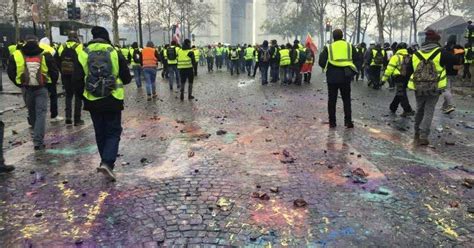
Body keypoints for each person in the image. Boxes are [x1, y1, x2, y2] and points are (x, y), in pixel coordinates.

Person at [73, 26, 131, 181]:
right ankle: (107, 162)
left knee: (100, 132)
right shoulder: (114, 52)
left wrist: (84, 97)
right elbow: (126, 77)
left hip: (93, 100)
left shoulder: (83, 53)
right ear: (107, 37)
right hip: (113, 98)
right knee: (113, 131)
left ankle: (105, 161)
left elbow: (77, 80)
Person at [7, 35, 59, 150]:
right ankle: (38, 141)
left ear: (25, 42)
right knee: (41, 113)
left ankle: (36, 135)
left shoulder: (17, 54)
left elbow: (10, 72)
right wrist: (50, 86)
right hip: (42, 88)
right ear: (37, 42)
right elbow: (54, 72)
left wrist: (20, 84)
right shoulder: (45, 54)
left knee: (32, 112)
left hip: (26, 88)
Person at [407, 29, 458, 146]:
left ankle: (416, 132)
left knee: (419, 109)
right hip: (434, 87)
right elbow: (455, 61)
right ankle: (423, 136)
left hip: (418, 87)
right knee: (429, 110)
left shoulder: (415, 54)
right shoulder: (441, 52)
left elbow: (410, 71)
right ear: (436, 41)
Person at [318, 29, 359, 128]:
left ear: (333, 37)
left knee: (332, 100)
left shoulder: (329, 47)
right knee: (346, 100)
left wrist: (328, 66)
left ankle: (332, 123)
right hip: (345, 76)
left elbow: (321, 62)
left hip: (332, 77)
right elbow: (358, 59)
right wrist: (352, 70)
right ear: (342, 36)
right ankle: (348, 121)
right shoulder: (349, 46)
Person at [57, 31, 84, 126]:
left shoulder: (62, 46)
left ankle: (68, 117)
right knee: (78, 97)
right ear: (77, 37)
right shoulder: (79, 47)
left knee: (68, 96)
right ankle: (77, 119)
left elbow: (57, 59)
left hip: (65, 75)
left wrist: (61, 71)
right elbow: (83, 61)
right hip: (76, 75)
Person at [381, 42, 414, 117]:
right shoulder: (410, 56)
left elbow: (389, 69)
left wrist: (383, 79)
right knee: (401, 91)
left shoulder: (395, 57)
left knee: (401, 93)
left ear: (398, 48)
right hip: (407, 77)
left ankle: (407, 110)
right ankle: (393, 107)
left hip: (398, 77)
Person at [39, 37, 63, 122]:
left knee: (40, 99)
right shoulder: (51, 51)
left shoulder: (36, 51)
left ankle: (37, 117)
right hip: (49, 79)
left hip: (38, 79)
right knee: (53, 97)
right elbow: (54, 68)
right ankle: (54, 115)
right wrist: (54, 80)